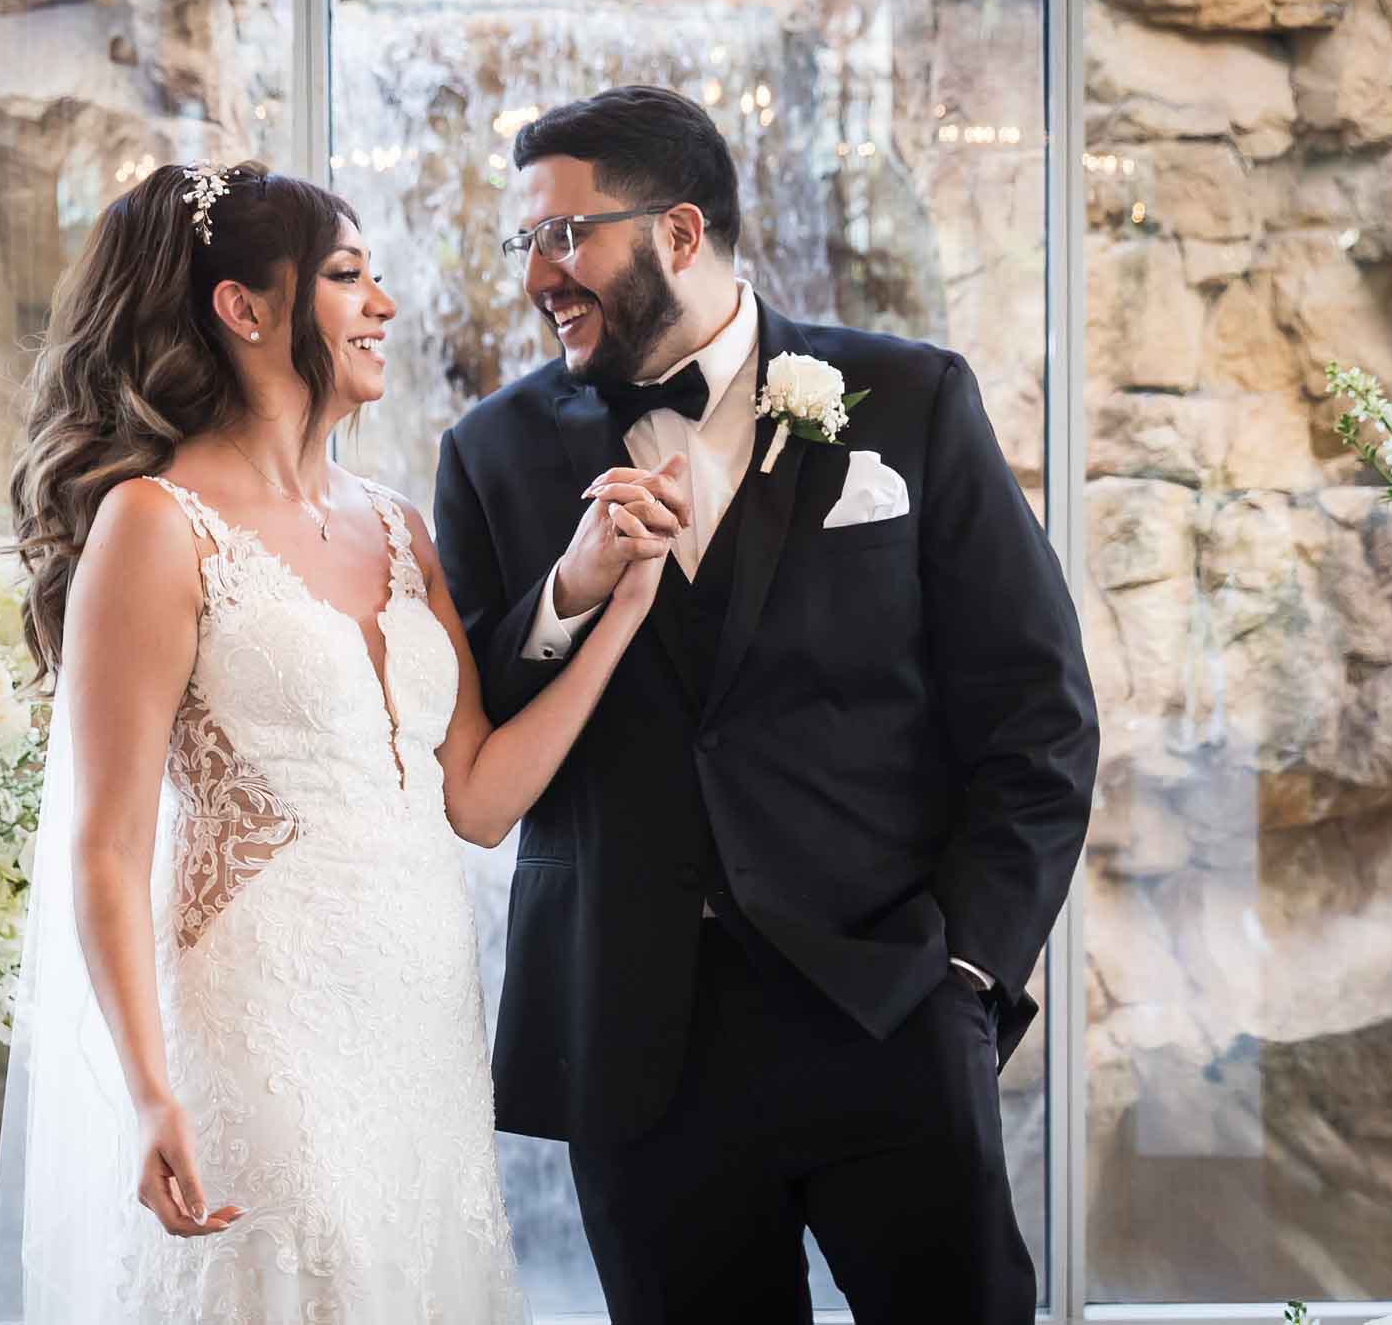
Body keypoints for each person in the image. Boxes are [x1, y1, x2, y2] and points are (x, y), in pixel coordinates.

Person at [433, 86, 1101, 1323]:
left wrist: (964, 968)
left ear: (679, 233)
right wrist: (567, 594)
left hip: (887, 1010)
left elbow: (1037, 713)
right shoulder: (492, 450)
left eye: (563, 234)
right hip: (633, 1043)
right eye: (520, 241)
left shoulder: (908, 398)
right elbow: (466, 736)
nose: (538, 274)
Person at [0, 161, 685, 1323]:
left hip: (421, 1024)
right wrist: (150, 1091)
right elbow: (108, 847)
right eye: (348, 277)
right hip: (255, 1022)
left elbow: (476, 797)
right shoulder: (154, 527)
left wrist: (624, 608)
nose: (385, 307)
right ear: (243, 309)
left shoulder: (398, 526)